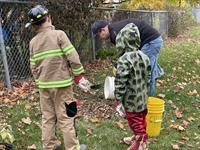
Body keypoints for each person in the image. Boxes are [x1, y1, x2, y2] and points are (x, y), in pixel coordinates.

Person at [26, 5, 91, 150]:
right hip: (62, 86)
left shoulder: (32, 42)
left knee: (47, 118)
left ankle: (49, 146)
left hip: (44, 87)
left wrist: (39, 81)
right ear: (49, 18)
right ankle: (73, 148)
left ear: (34, 25)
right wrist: (78, 75)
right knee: (66, 117)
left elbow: (33, 66)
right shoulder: (59, 35)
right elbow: (73, 56)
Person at [92, 19, 164, 96]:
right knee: (145, 64)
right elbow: (125, 52)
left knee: (144, 71)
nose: (99, 38)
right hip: (148, 41)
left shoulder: (115, 34)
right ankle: (158, 72)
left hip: (150, 42)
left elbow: (127, 54)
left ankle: (148, 99)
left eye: (98, 35)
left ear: (102, 30)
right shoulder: (114, 30)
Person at [114, 23, 151, 150]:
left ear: (122, 40)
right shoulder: (144, 56)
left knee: (135, 121)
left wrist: (118, 97)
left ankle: (141, 142)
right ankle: (139, 136)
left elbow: (120, 81)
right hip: (143, 98)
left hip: (131, 100)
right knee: (141, 119)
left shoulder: (124, 59)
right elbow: (148, 77)